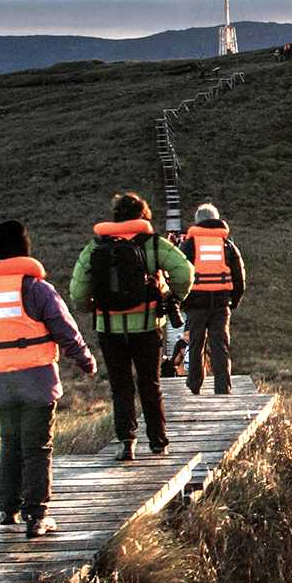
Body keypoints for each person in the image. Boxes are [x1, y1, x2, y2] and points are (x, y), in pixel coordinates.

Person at [0, 219, 95, 536]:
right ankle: (37, 515)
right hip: (36, 379)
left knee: (10, 443)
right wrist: (84, 359)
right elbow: (65, 328)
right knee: (37, 448)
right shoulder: (36, 288)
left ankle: (8, 509)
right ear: (25, 248)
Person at [70, 192, 193, 461]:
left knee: (121, 386)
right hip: (148, 327)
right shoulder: (152, 244)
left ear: (115, 217)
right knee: (150, 384)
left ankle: (127, 442)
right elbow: (185, 272)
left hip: (109, 330)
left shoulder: (95, 247)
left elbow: (77, 291)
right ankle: (158, 442)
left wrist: (93, 307)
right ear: (144, 215)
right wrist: (174, 297)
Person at [177, 203, 246, 395]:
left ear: (198, 222)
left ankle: (194, 385)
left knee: (195, 344)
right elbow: (239, 277)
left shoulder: (189, 244)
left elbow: (180, 274)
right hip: (220, 305)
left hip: (195, 305)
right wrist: (234, 301)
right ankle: (223, 387)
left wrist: (182, 302)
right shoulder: (227, 245)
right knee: (220, 346)